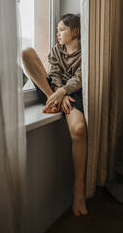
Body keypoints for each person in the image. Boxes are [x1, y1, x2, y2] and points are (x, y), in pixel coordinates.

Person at [22, 13, 88, 216]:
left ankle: (78, 190)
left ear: (75, 31)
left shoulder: (87, 52)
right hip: (53, 91)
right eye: (57, 30)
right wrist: (57, 93)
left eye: (62, 30)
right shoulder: (56, 50)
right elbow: (55, 73)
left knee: (78, 130)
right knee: (26, 53)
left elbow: (80, 77)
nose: (57, 34)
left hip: (72, 92)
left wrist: (64, 92)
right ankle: (53, 102)